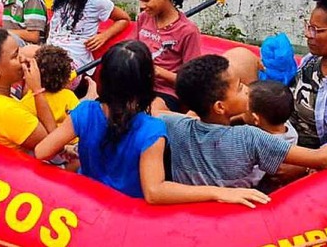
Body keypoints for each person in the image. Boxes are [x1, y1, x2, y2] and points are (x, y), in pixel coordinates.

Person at [35, 41, 270, 208]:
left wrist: (68, 148)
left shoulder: (84, 112)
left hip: (88, 203)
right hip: (129, 213)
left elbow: (42, 151)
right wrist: (220, 193)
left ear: (103, 79)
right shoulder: (150, 129)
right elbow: (154, 191)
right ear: (147, 82)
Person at [161, 54, 327, 189]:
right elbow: (322, 158)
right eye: (240, 88)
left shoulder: (175, 126)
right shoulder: (250, 138)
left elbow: (156, 112)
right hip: (240, 217)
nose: (248, 89)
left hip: (188, 211)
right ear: (219, 107)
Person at [132, 0, 201, 112]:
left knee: (151, 111)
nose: (142, 6)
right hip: (137, 84)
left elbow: (192, 80)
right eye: (139, 0)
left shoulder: (187, 30)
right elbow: (133, 51)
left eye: (146, 0)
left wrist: (158, 72)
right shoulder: (143, 18)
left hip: (165, 92)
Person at [47, 0, 130, 71]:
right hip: (49, 55)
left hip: (73, 62)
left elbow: (124, 19)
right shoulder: (58, 0)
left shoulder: (96, 2)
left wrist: (104, 36)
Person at [289, 0, 327, 148]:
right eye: (308, 26)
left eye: (316, 30)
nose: (307, 34)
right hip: (283, 141)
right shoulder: (311, 61)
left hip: (309, 159)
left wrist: (301, 167)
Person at [242, 80, 298, 190]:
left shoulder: (262, 148)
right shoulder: (287, 128)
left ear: (255, 119)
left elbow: (250, 179)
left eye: (243, 106)